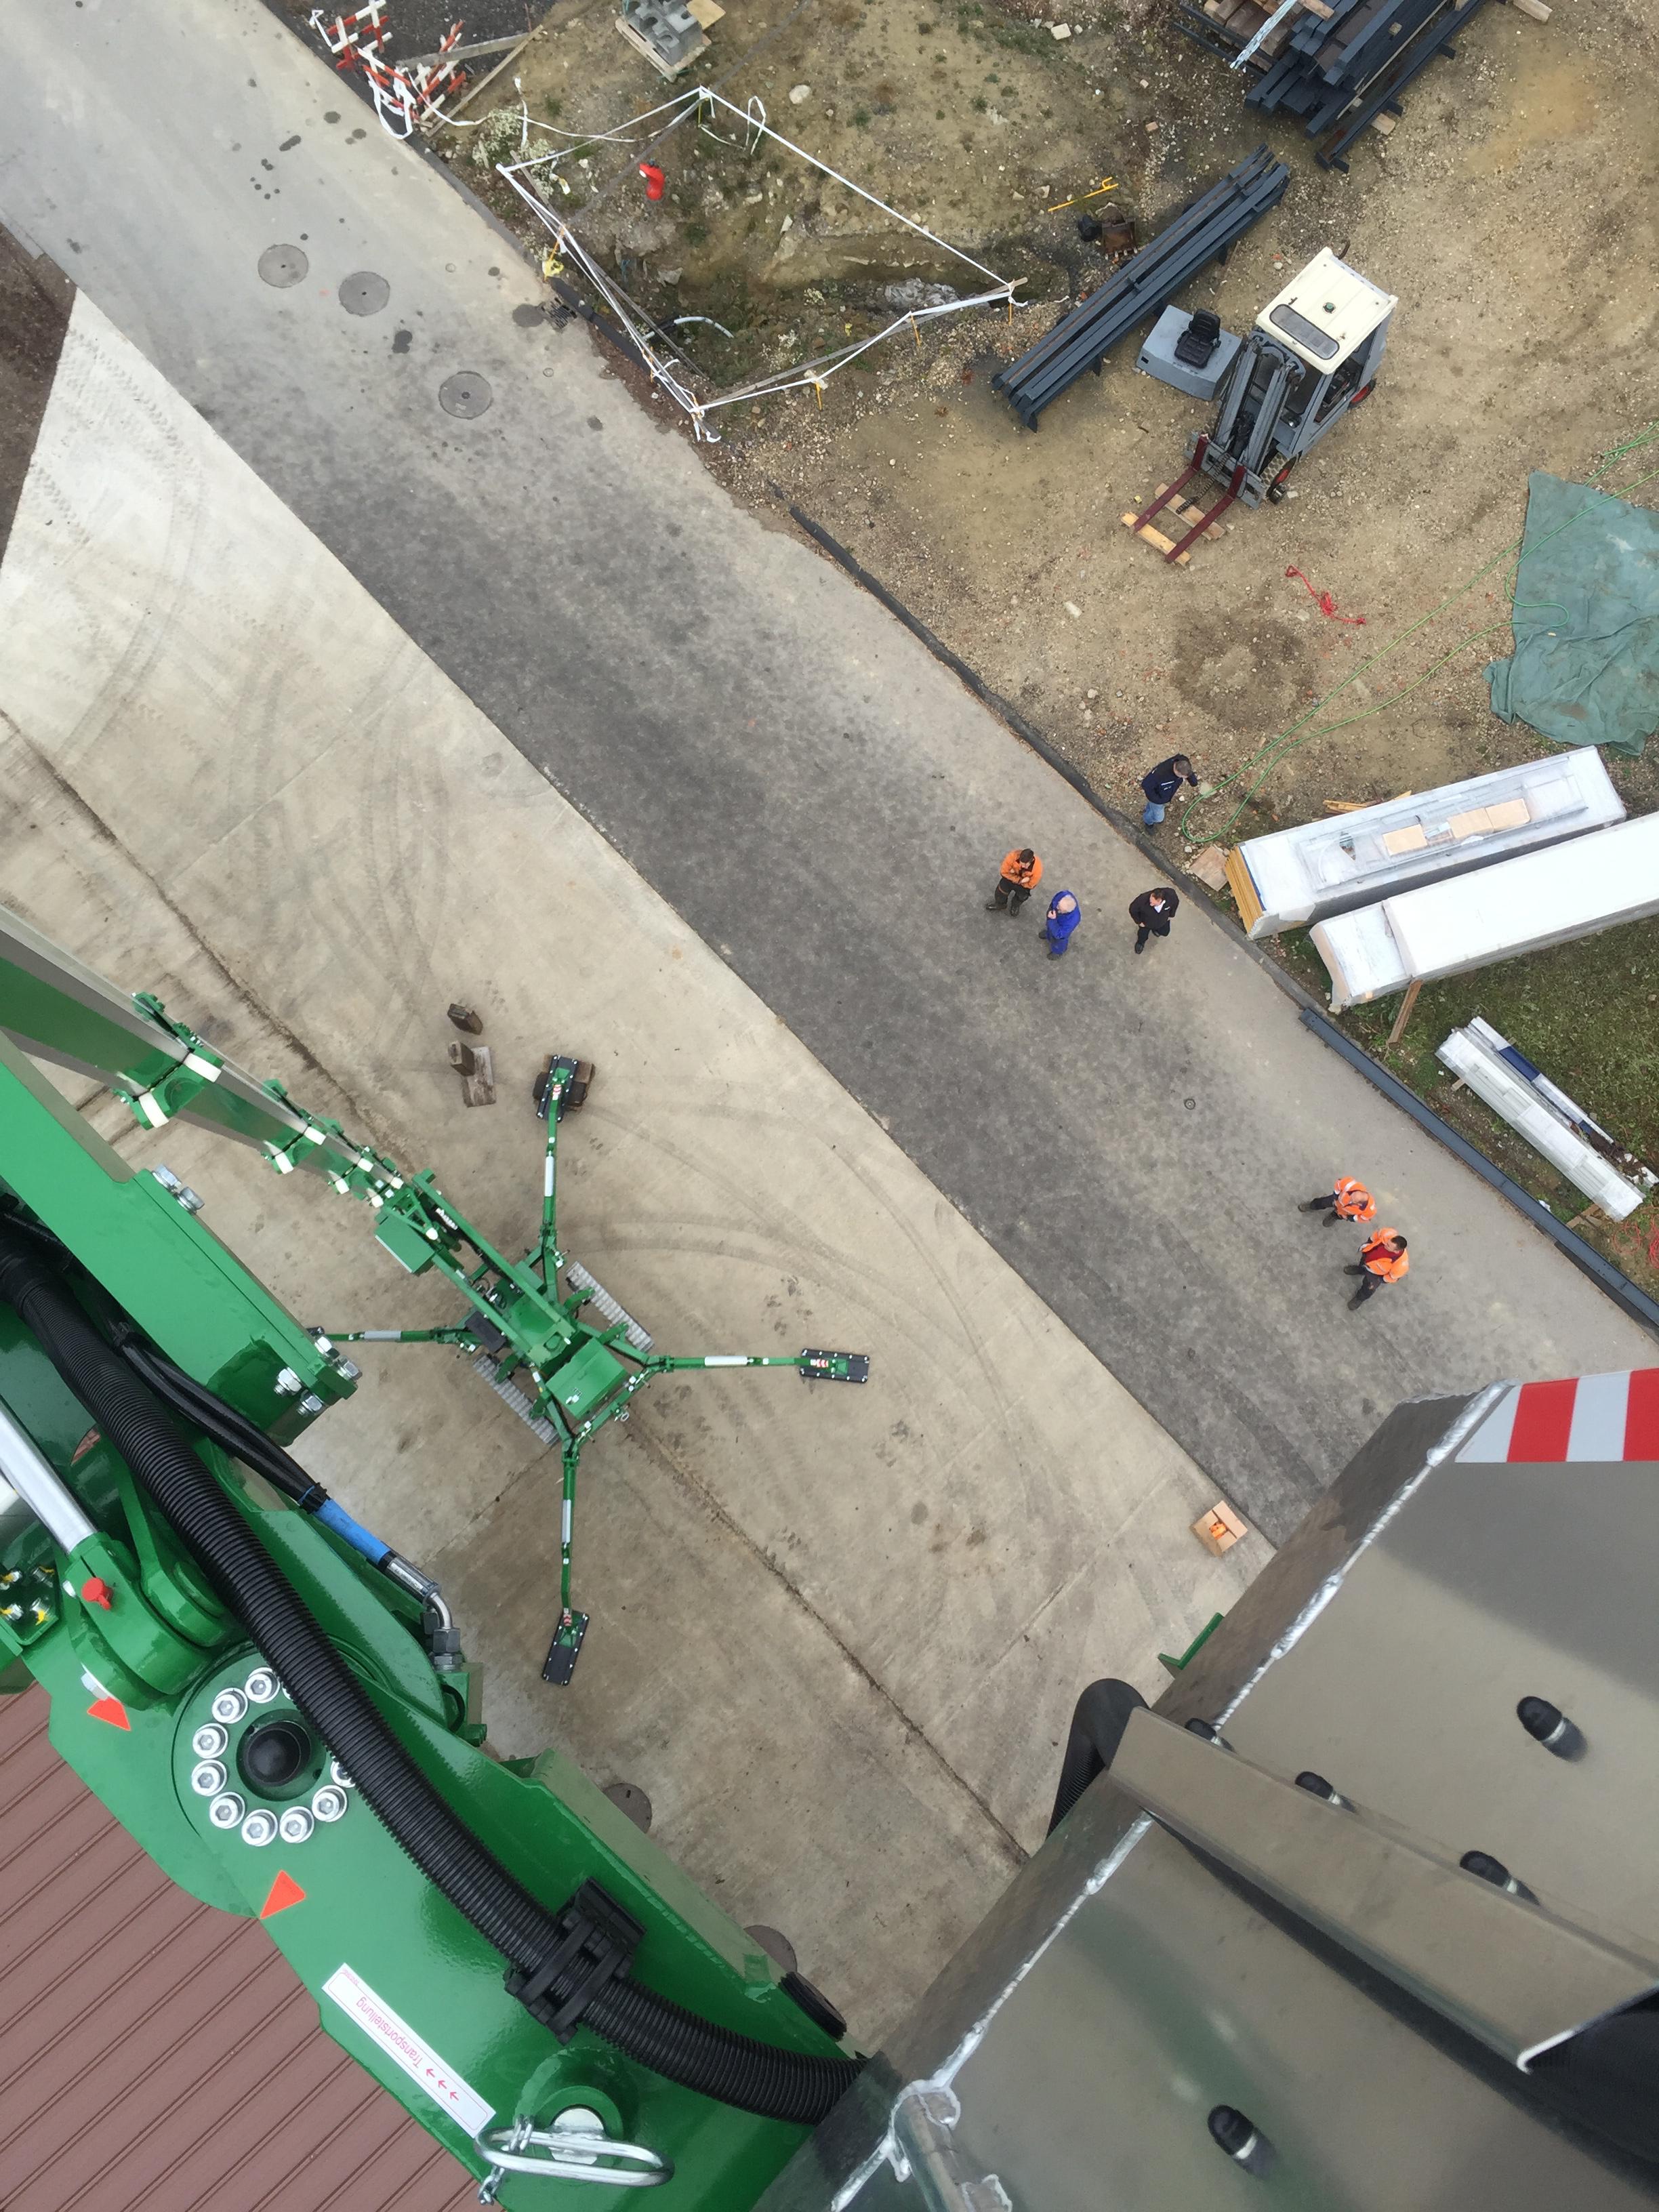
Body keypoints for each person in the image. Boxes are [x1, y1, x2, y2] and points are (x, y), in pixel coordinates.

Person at [1345, 1229, 1408, 1310]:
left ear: (1396, 1251)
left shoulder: (1401, 1266)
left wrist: (1379, 1280)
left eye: (1388, 1246)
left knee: (1368, 1287)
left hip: (1376, 1274)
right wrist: (1368, 1244)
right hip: (1368, 1258)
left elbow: (1392, 1277)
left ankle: (1360, 1298)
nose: (1385, 1245)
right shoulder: (1388, 1233)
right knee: (1363, 1264)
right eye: (1387, 1242)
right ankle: (1361, 1270)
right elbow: (1375, 1236)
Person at [1141, 754, 1197, 827]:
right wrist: (1158, 800)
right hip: (1158, 799)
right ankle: (1148, 821)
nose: (1184, 779)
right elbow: (1146, 785)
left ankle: (1149, 809)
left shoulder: (1183, 762)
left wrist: (1194, 782)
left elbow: (1188, 774)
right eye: (1183, 777)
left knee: (1151, 808)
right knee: (1159, 818)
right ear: (1178, 772)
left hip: (1165, 795)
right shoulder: (1159, 775)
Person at [1299, 1176, 1377, 1229]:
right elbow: (1338, 1185)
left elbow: (1364, 1218)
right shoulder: (1350, 1185)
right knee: (1323, 1202)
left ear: (1359, 1204)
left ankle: (1334, 1216)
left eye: (1353, 1200)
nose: (1350, 1198)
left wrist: (1349, 1218)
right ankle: (1312, 1206)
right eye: (1352, 1195)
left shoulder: (1369, 1210)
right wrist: (1336, 1198)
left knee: (1339, 1215)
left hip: (1345, 1212)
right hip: (1336, 1200)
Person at [987, 846, 1043, 918]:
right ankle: (1000, 904)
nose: (1023, 866)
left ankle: (1015, 905)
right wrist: (1021, 880)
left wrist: (1013, 874)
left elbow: (1031, 885)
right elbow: (1004, 872)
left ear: (1031, 861)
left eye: (1026, 865)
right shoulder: (1012, 856)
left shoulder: (1038, 868)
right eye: (1021, 863)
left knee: (1022, 897)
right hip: (1014, 880)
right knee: (1001, 891)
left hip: (1023, 885)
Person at [1128, 886, 1179, 955]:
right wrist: (1139, 922)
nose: (1151, 904)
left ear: (1160, 901)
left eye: (1153, 904)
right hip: (1146, 923)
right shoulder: (1142, 899)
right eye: (1151, 901)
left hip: (1162, 921)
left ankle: (1156, 930)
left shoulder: (1171, 895)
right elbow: (1133, 909)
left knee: (1165, 932)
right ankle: (1141, 943)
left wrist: (1171, 915)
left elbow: (1176, 903)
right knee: (1142, 935)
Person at [1042, 890, 1080, 960]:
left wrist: (1052, 920)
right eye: (1058, 905)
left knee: (1058, 942)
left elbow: (1060, 935)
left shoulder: (1073, 921)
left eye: (1060, 909)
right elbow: (1054, 902)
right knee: (1050, 930)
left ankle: (1058, 952)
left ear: (1067, 912)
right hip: (1054, 921)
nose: (1057, 908)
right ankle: (1048, 935)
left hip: (1059, 931)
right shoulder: (1064, 895)